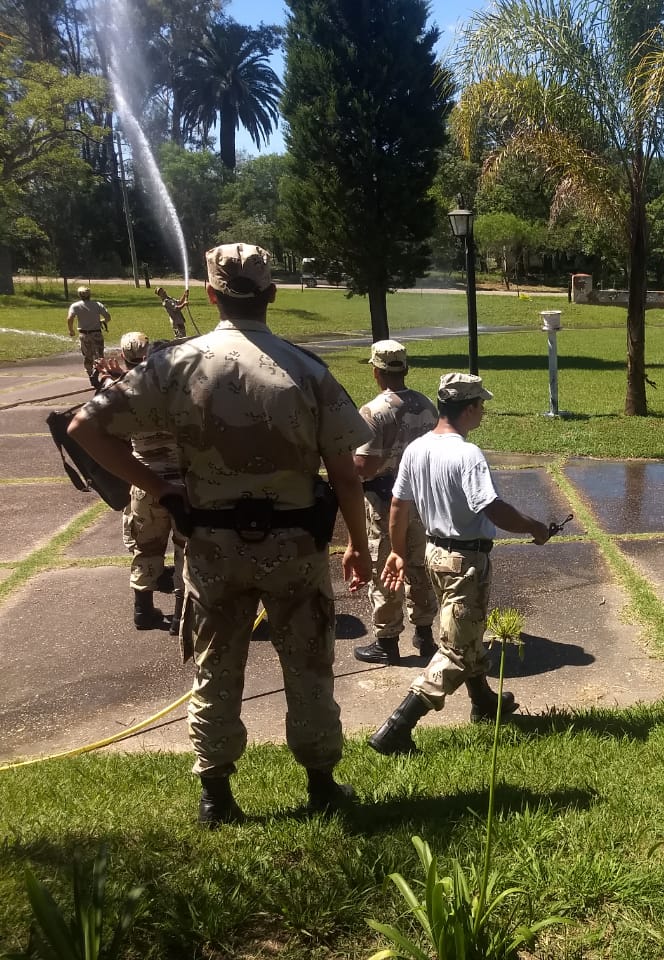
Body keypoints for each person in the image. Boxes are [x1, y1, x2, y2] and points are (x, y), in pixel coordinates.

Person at [69, 243, 374, 825]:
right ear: (272, 294)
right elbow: (345, 474)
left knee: (216, 664)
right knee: (308, 663)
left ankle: (216, 796)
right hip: (294, 545)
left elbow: (85, 426)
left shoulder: (176, 364)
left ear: (210, 295)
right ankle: (321, 784)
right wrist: (357, 545)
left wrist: (160, 490)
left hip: (212, 546)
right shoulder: (307, 370)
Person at [368, 373, 551, 756]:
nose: (483, 410)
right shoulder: (468, 455)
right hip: (465, 560)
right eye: (481, 404)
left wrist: (398, 551)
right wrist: (534, 527)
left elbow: (399, 505)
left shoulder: (417, 448)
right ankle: (396, 729)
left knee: (466, 630)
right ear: (469, 409)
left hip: (434, 554)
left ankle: (483, 702)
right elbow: (492, 507)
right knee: (455, 650)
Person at [351, 339, 440, 665]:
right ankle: (425, 634)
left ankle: (387, 641)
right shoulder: (426, 405)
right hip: (422, 500)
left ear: (376, 372)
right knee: (420, 565)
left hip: (385, 501)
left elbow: (364, 467)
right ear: (406, 369)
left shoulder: (374, 411)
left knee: (386, 568)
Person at [100, 332, 186, 633]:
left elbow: (104, 417)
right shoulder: (181, 393)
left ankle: (143, 611)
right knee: (186, 551)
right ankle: (181, 617)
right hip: (183, 485)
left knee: (146, 548)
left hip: (145, 481)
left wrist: (113, 378)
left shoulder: (127, 392)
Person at [66, 285, 110, 385]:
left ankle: (90, 374)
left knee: (87, 356)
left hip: (84, 334)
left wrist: (71, 330)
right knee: (99, 355)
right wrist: (102, 321)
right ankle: (99, 371)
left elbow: (70, 318)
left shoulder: (75, 306)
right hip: (96, 333)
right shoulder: (97, 305)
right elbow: (108, 317)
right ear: (90, 294)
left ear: (79, 295)